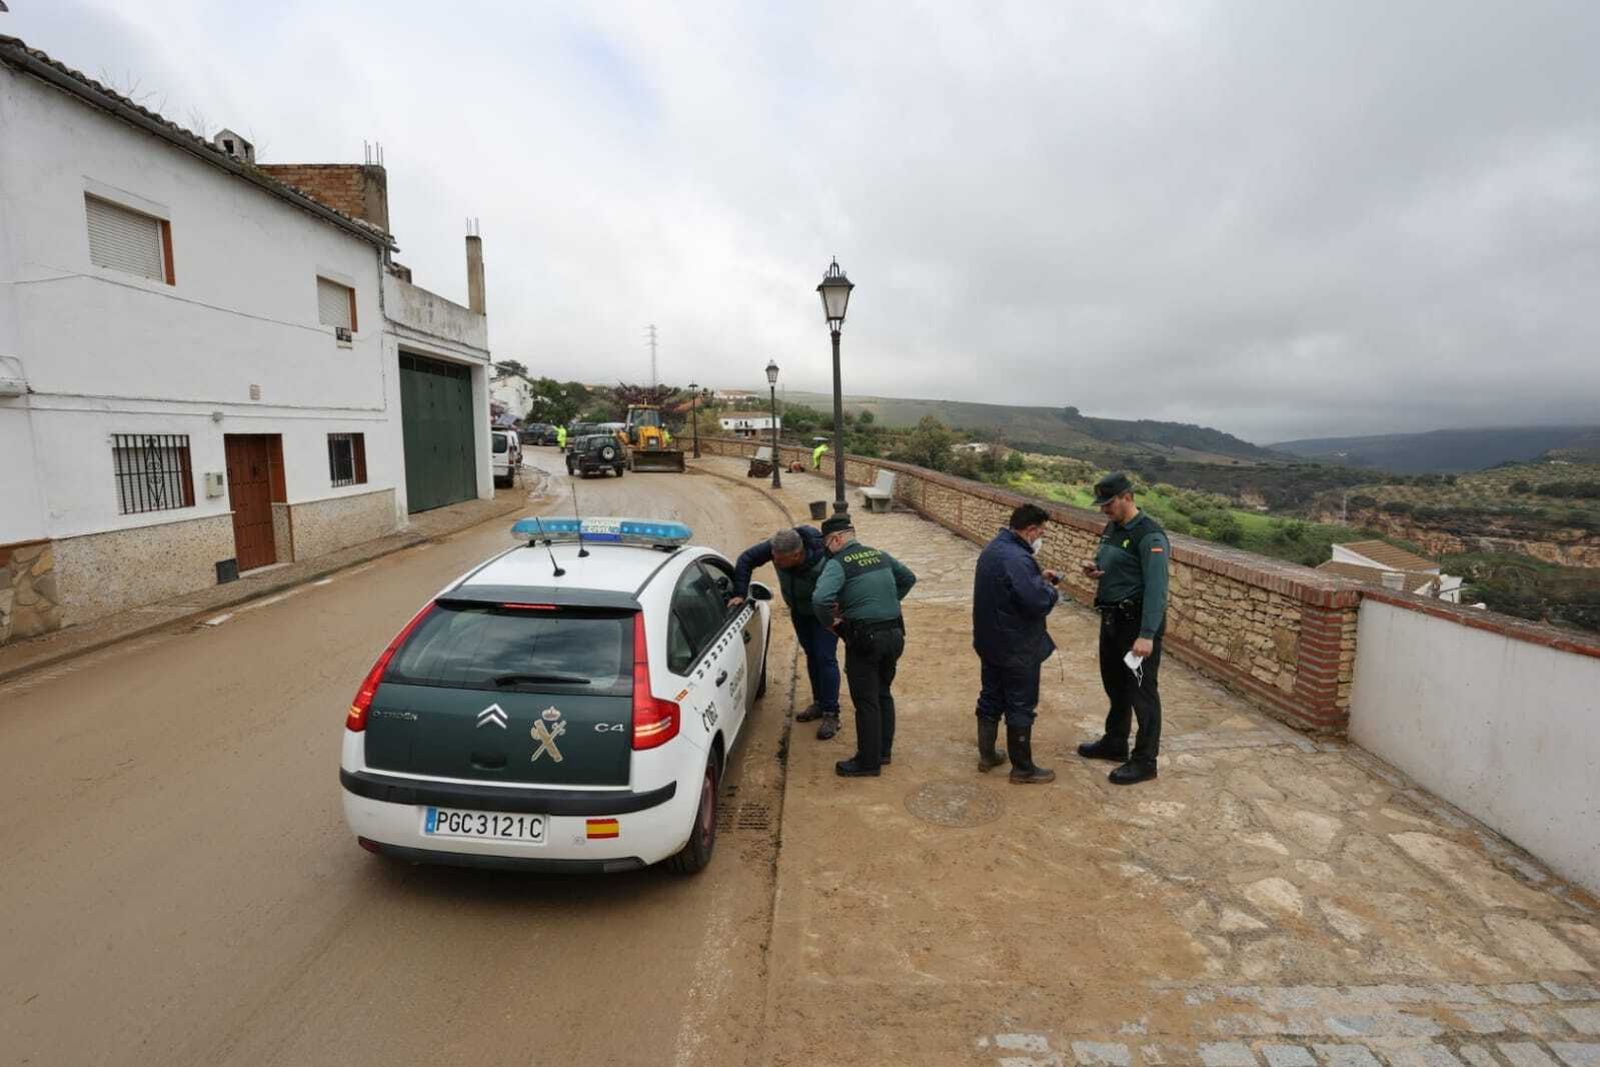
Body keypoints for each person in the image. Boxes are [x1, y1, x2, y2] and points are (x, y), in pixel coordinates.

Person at [1077, 472, 1169, 785]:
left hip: (1136, 625)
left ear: (1127, 497)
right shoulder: (1114, 527)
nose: (1104, 509)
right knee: (1115, 685)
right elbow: (1119, 566)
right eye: (1101, 504)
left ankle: (1145, 761)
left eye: (1109, 503)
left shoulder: (1150, 536)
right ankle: (1115, 742)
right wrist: (1097, 571)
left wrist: (1147, 635)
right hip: (1112, 618)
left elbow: (1156, 589)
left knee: (1142, 694)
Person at [812, 515, 916, 777]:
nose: (827, 549)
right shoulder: (879, 555)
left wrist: (833, 625)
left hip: (865, 638)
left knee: (866, 700)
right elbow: (908, 578)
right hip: (895, 633)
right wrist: (888, 602)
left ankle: (867, 762)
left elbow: (820, 599)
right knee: (883, 692)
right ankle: (883, 752)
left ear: (836, 539)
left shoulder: (838, 563)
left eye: (827, 543)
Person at [972, 503, 1061, 784]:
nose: (1040, 537)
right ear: (1030, 529)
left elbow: (1012, 588)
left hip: (990, 641)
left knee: (991, 696)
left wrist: (1036, 578)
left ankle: (988, 755)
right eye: (1040, 531)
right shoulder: (1018, 558)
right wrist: (1050, 589)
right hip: (1017, 645)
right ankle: (1023, 768)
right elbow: (1037, 602)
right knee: (1020, 704)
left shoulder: (994, 550)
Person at [731, 526, 842, 740]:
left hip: (824, 614)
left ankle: (831, 713)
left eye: (779, 560)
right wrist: (739, 592)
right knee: (811, 654)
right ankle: (819, 703)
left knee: (825, 658)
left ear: (796, 555)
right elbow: (746, 559)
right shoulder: (777, 547)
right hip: (800, 612)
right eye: (773, 557)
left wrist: (842, 606)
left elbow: (848, 577)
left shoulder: (826, 557)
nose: (775, 561)